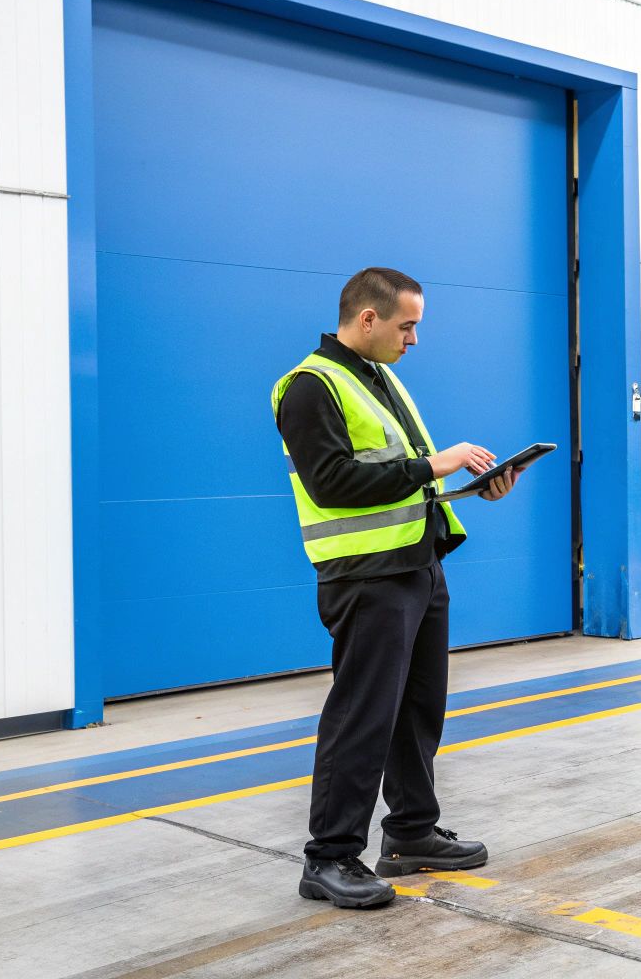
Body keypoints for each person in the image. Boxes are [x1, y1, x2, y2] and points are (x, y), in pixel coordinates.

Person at [271, 266, 522, 909]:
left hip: (416, 565)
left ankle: (410, 834)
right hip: (366, 575)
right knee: (363, 714)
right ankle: (328, 857)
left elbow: (400, 476)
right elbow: (332, 482)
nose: (413, 338)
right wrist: (432, 463)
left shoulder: (378, 378)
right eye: (407, 325)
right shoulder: (310, 387)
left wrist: (473, 485)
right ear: (368, 320)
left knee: (417, 710)